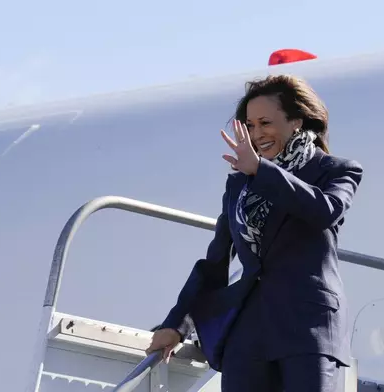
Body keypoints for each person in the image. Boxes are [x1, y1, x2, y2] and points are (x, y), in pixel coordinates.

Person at [146, 74, 363, 392]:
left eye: (265, 123)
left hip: (307, 325)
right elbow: (215, 262)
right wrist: (176, 324)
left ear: (296, 122)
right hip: (248, 333)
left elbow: (325, 211)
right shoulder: (240, 184)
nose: (256, 134)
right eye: (249, 125)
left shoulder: (335, 169)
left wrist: (262, 171)